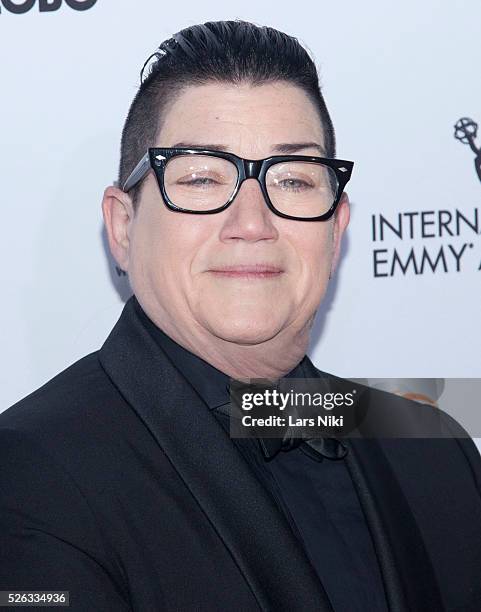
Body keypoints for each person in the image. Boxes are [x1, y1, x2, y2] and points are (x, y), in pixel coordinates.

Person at [1, 20, 481, 612]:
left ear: (337, 230)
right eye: (202, 177)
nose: (252, 223)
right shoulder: (29, 475)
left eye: (294, 179)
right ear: (123, 226)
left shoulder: (434, 448)